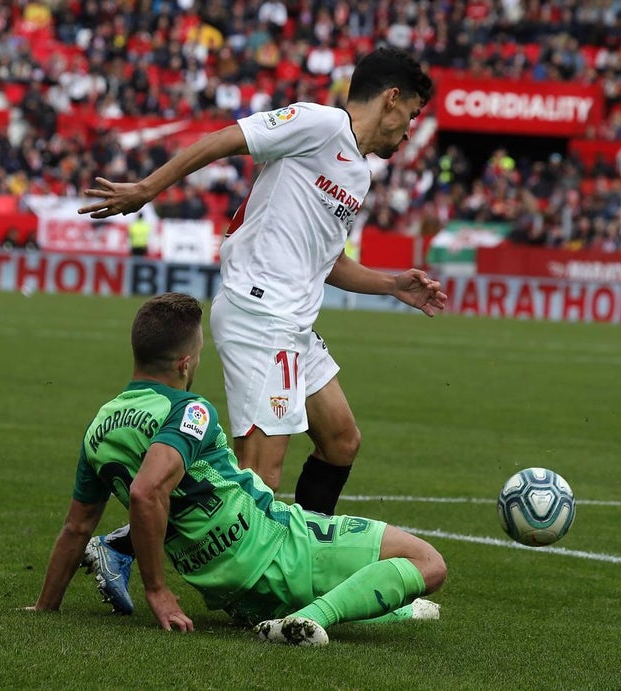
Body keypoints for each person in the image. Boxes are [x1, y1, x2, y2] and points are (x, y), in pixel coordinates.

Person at [77, 46, 446, 613]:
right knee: (259, 476)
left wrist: (394, 285)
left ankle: (318, 566)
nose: (410, 131)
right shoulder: (320, 124)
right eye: (413, 115)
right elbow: (224, 139)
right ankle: (124, 548)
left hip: (294, 322)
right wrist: (148, 188)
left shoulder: (358, 173)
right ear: (391, 98)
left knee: (341, 439)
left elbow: (329, 262)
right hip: (260, 312)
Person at [26, 293, 446, 646]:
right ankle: (311, 618)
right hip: (281, 545)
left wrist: (47, 605)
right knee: (427, 563)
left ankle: (372, 613)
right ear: (185, 363)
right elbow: (145, 490)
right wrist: (156, 590)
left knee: (405, 606)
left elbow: (76, 528)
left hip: (233, 593)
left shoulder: (98, 428)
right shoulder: (188, 410)